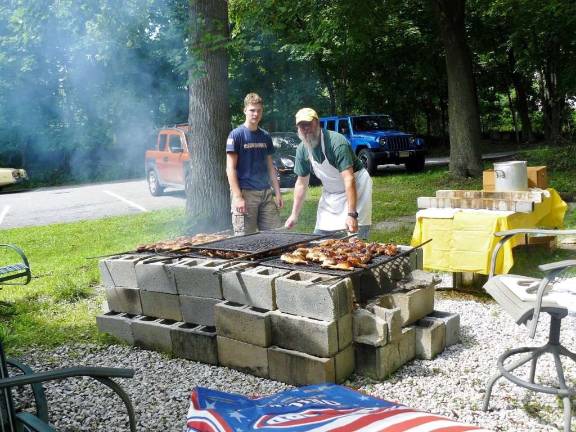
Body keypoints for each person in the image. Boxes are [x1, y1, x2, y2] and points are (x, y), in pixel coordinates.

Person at [284, 108, 373, 239]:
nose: (305, 128)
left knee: (354, 241)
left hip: (357, 188)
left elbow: (349, 179)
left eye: (308, 124)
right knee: (320, 239)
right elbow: (301, 184)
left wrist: (352, 214)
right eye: (301, 126)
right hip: (331, 193)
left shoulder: (336, 142)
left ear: (317, 123)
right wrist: (294, 214)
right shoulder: (302, 149)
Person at [226, 93, 283, 235]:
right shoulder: (236, 135)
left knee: (276, 236)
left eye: (259, 110)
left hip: (265, 193)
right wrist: (238, 197)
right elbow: (230, 169)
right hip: (245, 194)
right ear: (245, 110)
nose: (255, 114)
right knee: (245, 240)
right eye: (252, 110)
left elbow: (270, 167)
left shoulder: (265, 136)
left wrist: (277, 192)